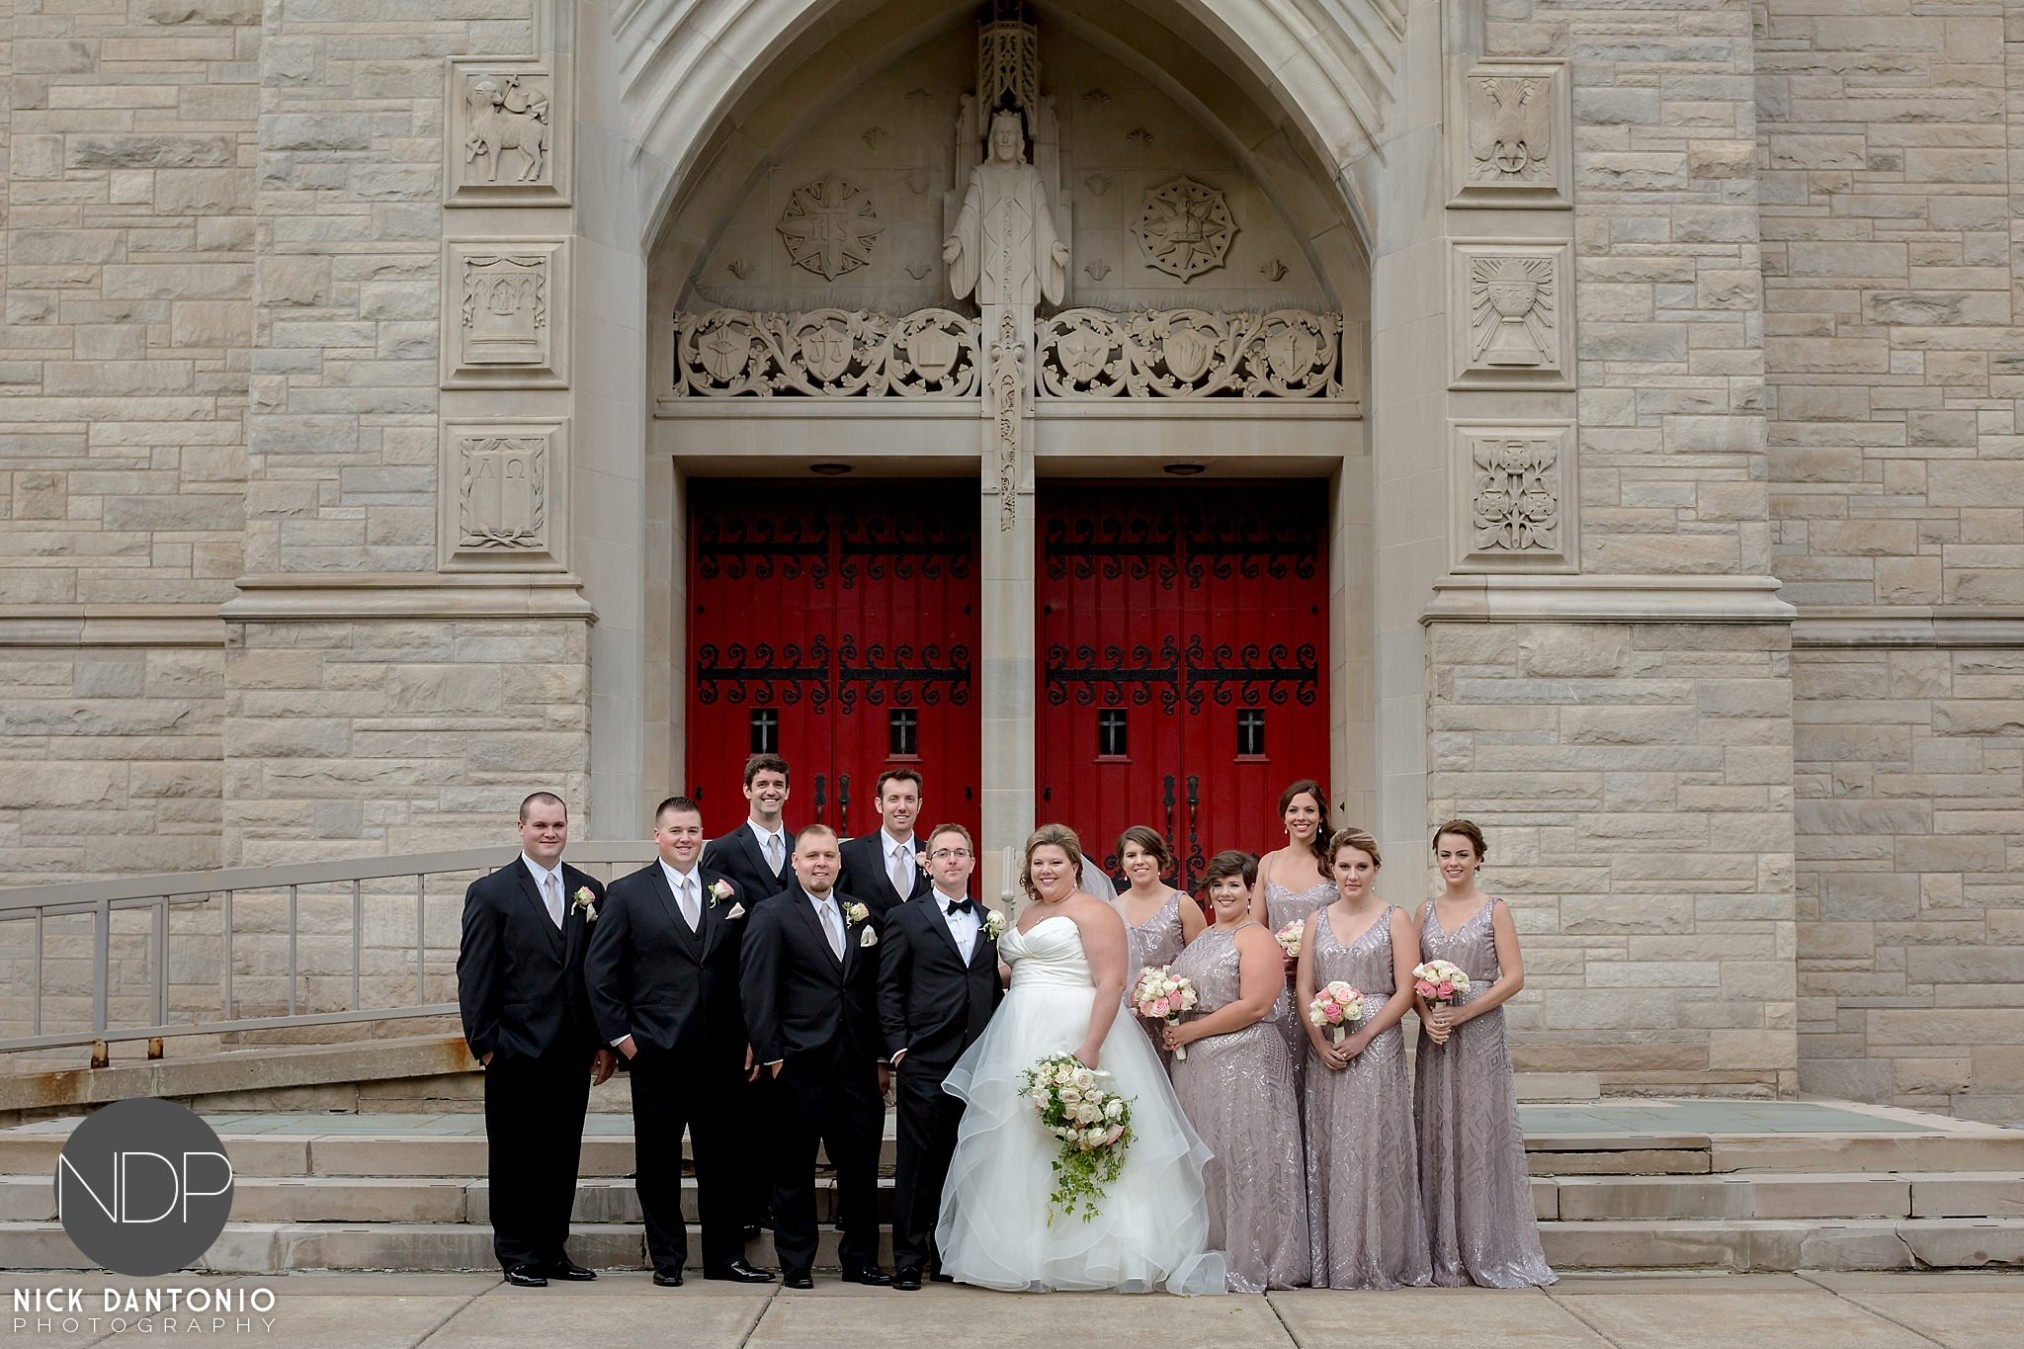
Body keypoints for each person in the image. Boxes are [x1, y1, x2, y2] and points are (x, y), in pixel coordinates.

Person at [935, 824, 1224, 1295]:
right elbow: (1013, 970)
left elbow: (1111, 982)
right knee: (1020, 1140)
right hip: (1018, 1032)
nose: (1046, 870)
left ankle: (1100, 1256)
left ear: (1076, 866)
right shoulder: (1025, 913)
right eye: (1038, 863)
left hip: (1074, 1029)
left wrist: (1090, 1047)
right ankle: (1022, 1251)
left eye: (1056, 862)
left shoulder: (1095, 912)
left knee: (1078, 1139)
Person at [583, 797, 773, 1288]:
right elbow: (601, 973)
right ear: (657, 836)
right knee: (658, 1163)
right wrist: (624, 1040)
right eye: (676, 831)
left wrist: (753, 1033)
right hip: (656, 1054)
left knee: (723, 1163)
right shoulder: (626, 894)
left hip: (722, 1053)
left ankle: (725, 1258)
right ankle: (667, 1258)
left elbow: (746, 971)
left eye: (693, 830)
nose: (685, 839)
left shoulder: (729, 892)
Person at [455, 791, 615, 1288]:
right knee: (514, 1155)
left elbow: (597, 973)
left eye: (558, 825)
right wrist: (485, 1043)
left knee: (560, 1155)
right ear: (521, 828)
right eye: (541, 825)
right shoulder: (492, 893)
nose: (550, 833)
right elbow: (474, 973)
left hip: (571, 1051)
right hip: (514, 1050)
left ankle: (551, 1249)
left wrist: (602, 1040)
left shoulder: (589, 891)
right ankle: (517, 1252)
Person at [740, 825, 890, 1289]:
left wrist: (880, 1056)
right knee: (794, 1168)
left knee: (861, 1167)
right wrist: (772, 1054)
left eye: (828, 855)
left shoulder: (860, 915)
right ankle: (797, 1262)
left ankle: (861, 1260)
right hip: (798, 1063)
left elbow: (870, 988)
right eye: (811, 856)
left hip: (856, 1063)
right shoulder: (772, 914)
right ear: (795, 862)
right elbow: (756, 988)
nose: (821, 863)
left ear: (839, 863)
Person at [1415, 819, 1556, 1287]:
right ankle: (1441, 1248)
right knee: (1438, 1129)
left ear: (1478, 858)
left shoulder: (1495, 908)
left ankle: (1486, 1244)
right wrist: (1428, 1014)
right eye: (1445, 855)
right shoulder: (1424, 911)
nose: (1452, 863)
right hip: (1436, 1032)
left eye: (1461, 855)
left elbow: (1513, 977)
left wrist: (1464, 1013)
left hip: (1479, 1033)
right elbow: (1409, 975)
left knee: (1478, 1132)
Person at [1165, 850, 1308, 1292]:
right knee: (1210, 1160)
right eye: (1218, 885)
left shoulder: (1256, 937)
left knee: (1246, 1156)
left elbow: (1256, 1005)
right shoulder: (1205, 936)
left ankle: (1258, 1253)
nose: (1225, 892)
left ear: (1250, 891)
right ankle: (1214, 1244)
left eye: (1234, 885)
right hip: (1198, 1067)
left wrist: (1192, 1032)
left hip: (1244, 1060)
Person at [1297, 828, 1429, 1289]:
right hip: (1327, 1039)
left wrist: (1366, 1035)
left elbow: (1407, 988)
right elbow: (1303, 986)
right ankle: (1332, 1258)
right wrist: (1318, 1040)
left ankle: (1377, 1253)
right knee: (1330, 1144)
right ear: (1332, 868)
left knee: (1371, 1143)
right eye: (1345, 866)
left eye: (1362, 866)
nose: (1352, 875)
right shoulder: (1317, 918)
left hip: (1376, 1040)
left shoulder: (1394, 918)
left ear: (1375, 870)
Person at [876, 822, 1003, 1290]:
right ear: (927, 864)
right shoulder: (906, 918)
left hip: (977, 1059)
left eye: (961, 852)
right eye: (943, 853)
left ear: (972, 861)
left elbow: (990, 989)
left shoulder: (990, 920)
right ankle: (908, 1259)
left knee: (964, 1160)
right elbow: (888, 987)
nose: (952, 859)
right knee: (917, 1163)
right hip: (924, 1059)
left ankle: (947, 1256)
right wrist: (899, 1049)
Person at [698, 753, 794, 1239]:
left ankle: (779, 1200)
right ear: (746, 791)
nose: (770, 791)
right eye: (762, 784)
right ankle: (749, 1206)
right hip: (743, 992)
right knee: (746, 1110)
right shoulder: (723, 850)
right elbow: (717, 934)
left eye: (778, 784)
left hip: (795, 995)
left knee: (784, 1111)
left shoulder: (801, 848)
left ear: (787, 791)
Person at [1250, 779, 1336, 1079]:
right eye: (1294, 810)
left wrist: (1312, 960)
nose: (1302, 817)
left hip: (1325, 981)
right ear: (1284, 817)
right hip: (1279, 980)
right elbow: (1256, 926)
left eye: (1310, 810)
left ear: (1321, 816)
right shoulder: (1268, 863)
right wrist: (1275, 958)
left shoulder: (1335, 862)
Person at [1109, 825, 1205, 1067]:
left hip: (1173, 1019)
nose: (1139, 861)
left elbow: (1203, 963)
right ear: (1122, 863)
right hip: (1126, 1019)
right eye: (1131, 855)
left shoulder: (1182, 904)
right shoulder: (1110, 910)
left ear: (1160, 859)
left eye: (1147, 853)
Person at [838, 768, 933, 919]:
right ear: (879, 804)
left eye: (909, 799)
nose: (902, 807)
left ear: (919, 805)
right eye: (893, 799)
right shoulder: (850, 854)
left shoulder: (935, 855)